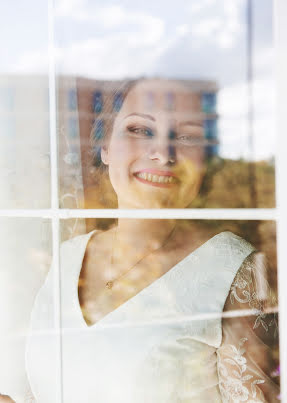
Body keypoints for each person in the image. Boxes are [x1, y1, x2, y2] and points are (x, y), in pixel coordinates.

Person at [3, 78, 279, 402]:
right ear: (104, 146)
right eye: (140, 130)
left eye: (187, 135)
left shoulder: (232, 270)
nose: (162, 153)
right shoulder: (67, 258)